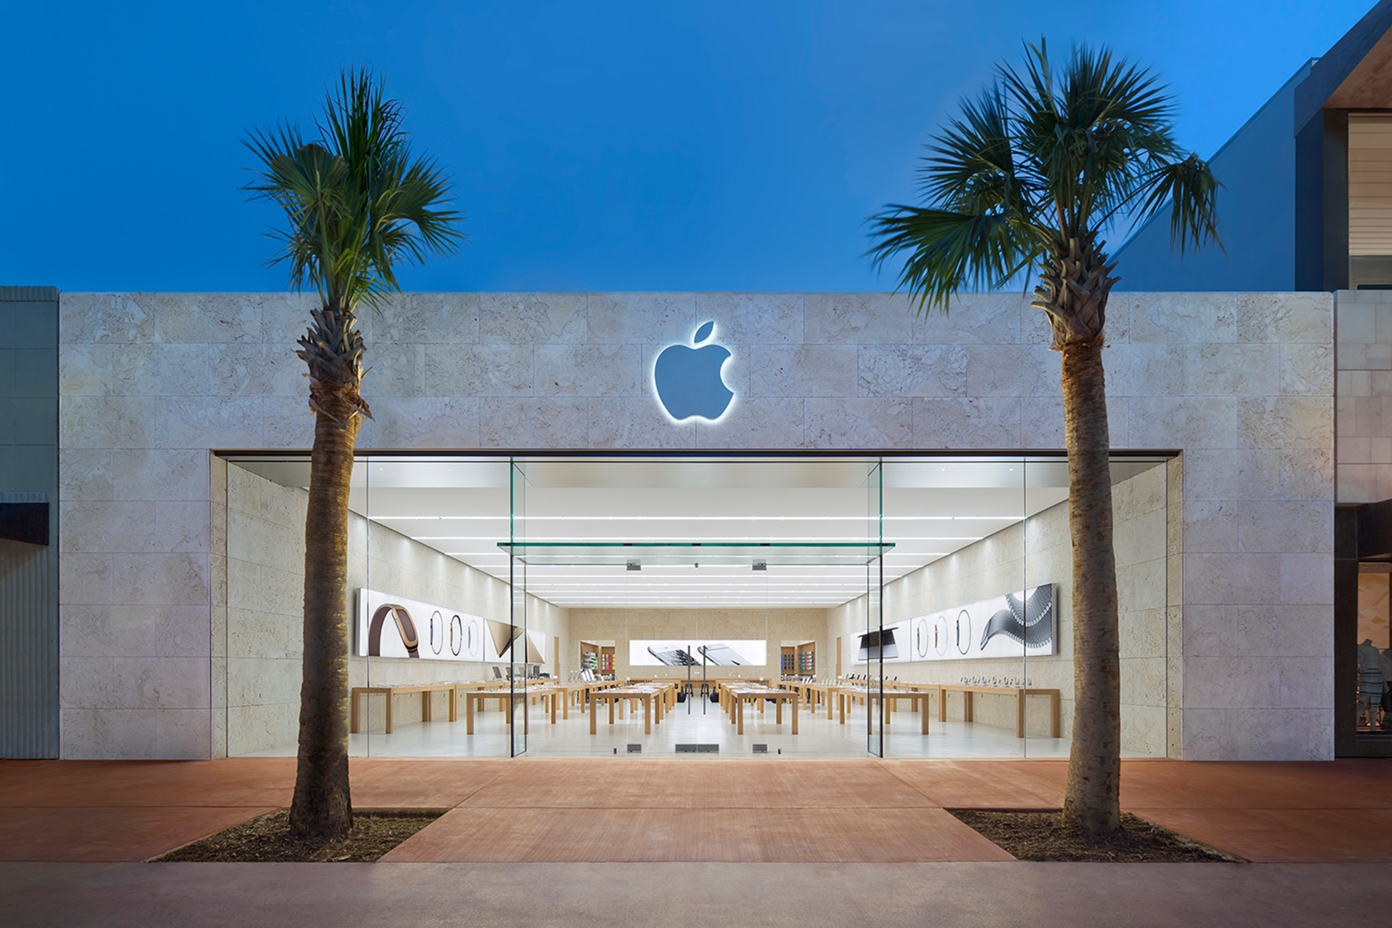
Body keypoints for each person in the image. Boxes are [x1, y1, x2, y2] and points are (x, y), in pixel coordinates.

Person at [1357, 639, 1384, 729]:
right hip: (1366, 675)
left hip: (1378, 677)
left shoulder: (1375, 649)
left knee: (1374, 705)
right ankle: (1354, 728)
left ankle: (1373, 729)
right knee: (1362, 703)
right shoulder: (1359, 648)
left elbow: (1380, 665)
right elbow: (1356, 662)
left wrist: (1384, 682)